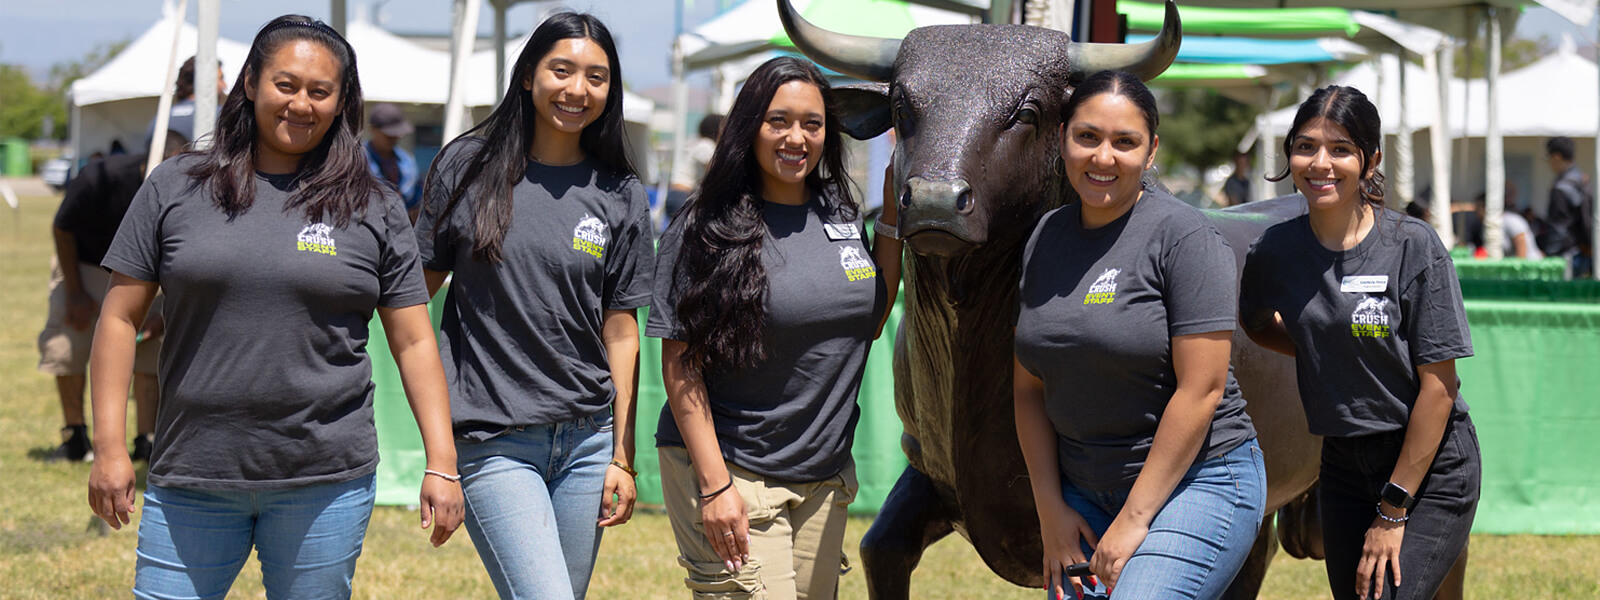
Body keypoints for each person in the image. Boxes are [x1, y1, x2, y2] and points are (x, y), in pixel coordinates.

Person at [85, 15, 464, 598]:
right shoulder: (175, 185)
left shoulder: (374, 206)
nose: (300, 103)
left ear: (341, 102)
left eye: (320, 91)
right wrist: (110, 449)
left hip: (326, 480)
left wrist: (441, 461)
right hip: (193, 472)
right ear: (251, 84)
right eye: (285, 84)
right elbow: (118, 317)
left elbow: (414, 342)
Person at [647, 56, 902, 600]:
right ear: (748, 127)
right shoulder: (704, 225)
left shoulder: (838, 209)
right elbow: (680, 362)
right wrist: (716, 486)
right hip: (735, 470)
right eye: (777, 121)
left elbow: (870, 320)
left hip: (823, 477)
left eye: (812, 123)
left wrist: (894, 213)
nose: (797, 137)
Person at [415, 12, 651, 600]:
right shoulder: (464, 165)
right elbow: (412, 298)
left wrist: (622, 454)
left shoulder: (619, 190)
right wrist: (439, 449)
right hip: (494, 439)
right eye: (562, 70)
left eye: (596, 77)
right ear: (527, 76)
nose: (578, 90)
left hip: (588, 442)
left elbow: (621, 330)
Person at [1012, 70, 1265, 600]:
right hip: (1082, 491)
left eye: (1124, 142)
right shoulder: (1044, 238)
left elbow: (1202, 390)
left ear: (1150, 153)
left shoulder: (1186, 237)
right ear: (1062, 138)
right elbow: (1028, 386)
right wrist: (1051, 511)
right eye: (1088, 137)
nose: (1103, 158)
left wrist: (1134, 518)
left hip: (1198, 482)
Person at [1239, 85, 1480, 600]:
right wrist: (1321, 352)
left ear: (1369, 161)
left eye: (1340, 149)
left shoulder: (1413, 245)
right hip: (1342, 465)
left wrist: (1393, 512)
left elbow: (1440, 388)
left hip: (1431, 464)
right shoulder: (1275, 251)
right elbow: (1256, 323)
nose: (1319, 163)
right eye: (1305, 146)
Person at [38, 129, 185, 463]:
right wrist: (74, 292)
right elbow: (62, 228)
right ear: (148, 161)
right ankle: (75, 434)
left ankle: (144, 440)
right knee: (68, 345)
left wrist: (162, 315)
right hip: (86, 264)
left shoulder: (189, 186)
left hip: (148, 272)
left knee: (149, 351)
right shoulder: (99, 177)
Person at [144, 55, 229, 150]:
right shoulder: (221, 115)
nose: (224, 85)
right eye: (221, 78)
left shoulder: (159, 119)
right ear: (205, 81)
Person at [1542, 136, 1593, 277]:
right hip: (1585, 250)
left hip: (1567, 254)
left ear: (1557, 156)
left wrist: (1551, 256)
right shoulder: (1582, 180)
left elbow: (1558, 226)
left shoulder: (1562, 187)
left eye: (1548, 157)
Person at [365, 102, 423, 221]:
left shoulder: (407, 161)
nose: (394, 139)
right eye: (388, 135)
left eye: (396, 134)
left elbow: (416, 202)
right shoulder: (356, 159)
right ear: (372, 129)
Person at [665, 113, 724, 222]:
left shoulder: (697, 143)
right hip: (682, 196)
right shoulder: (706, 145)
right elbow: (715, 169)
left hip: (676, 194)